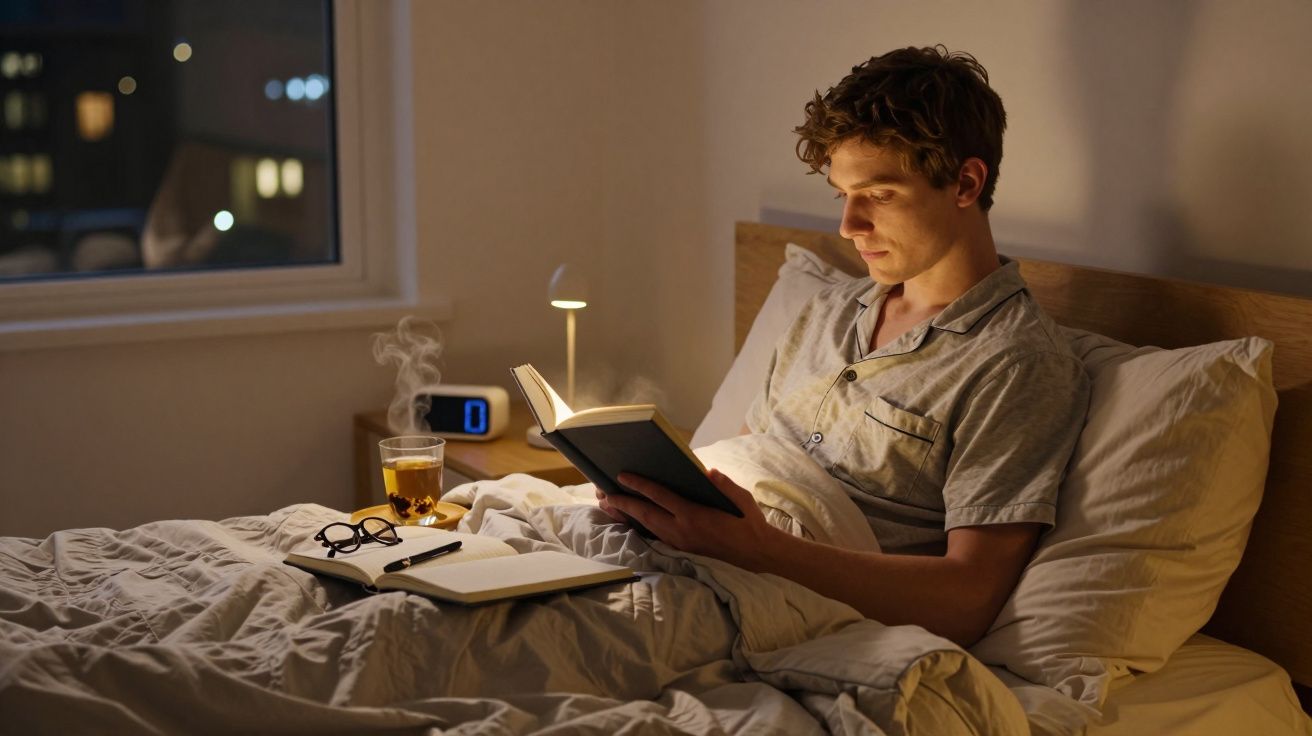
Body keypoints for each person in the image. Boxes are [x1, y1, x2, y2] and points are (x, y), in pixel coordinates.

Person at [598, 46, 1091, 648]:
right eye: (842, 196)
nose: (848, 227)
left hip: (773, 602)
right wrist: (661, 501)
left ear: (965, 182)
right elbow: (761, 464)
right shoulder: (828, 310)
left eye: (878, 195)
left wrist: (757, 550)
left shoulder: (1015, 362)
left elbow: (967, 600)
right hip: (695, 560)